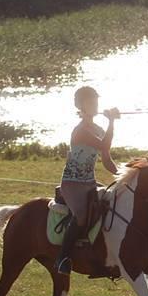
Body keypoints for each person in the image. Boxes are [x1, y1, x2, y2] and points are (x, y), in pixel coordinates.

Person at [55, 86, 119, 275]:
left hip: (89, 182)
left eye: (96, 102)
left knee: (110, 205)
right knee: (82, 216)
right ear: (81, 106)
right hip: (72, 184)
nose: (94, 105)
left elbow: (106, 158)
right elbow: (104, 144)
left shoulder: (98, 129)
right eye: (90, 102)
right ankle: (63, 257)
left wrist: (120, 175)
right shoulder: (81, 131)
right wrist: (112, 122)